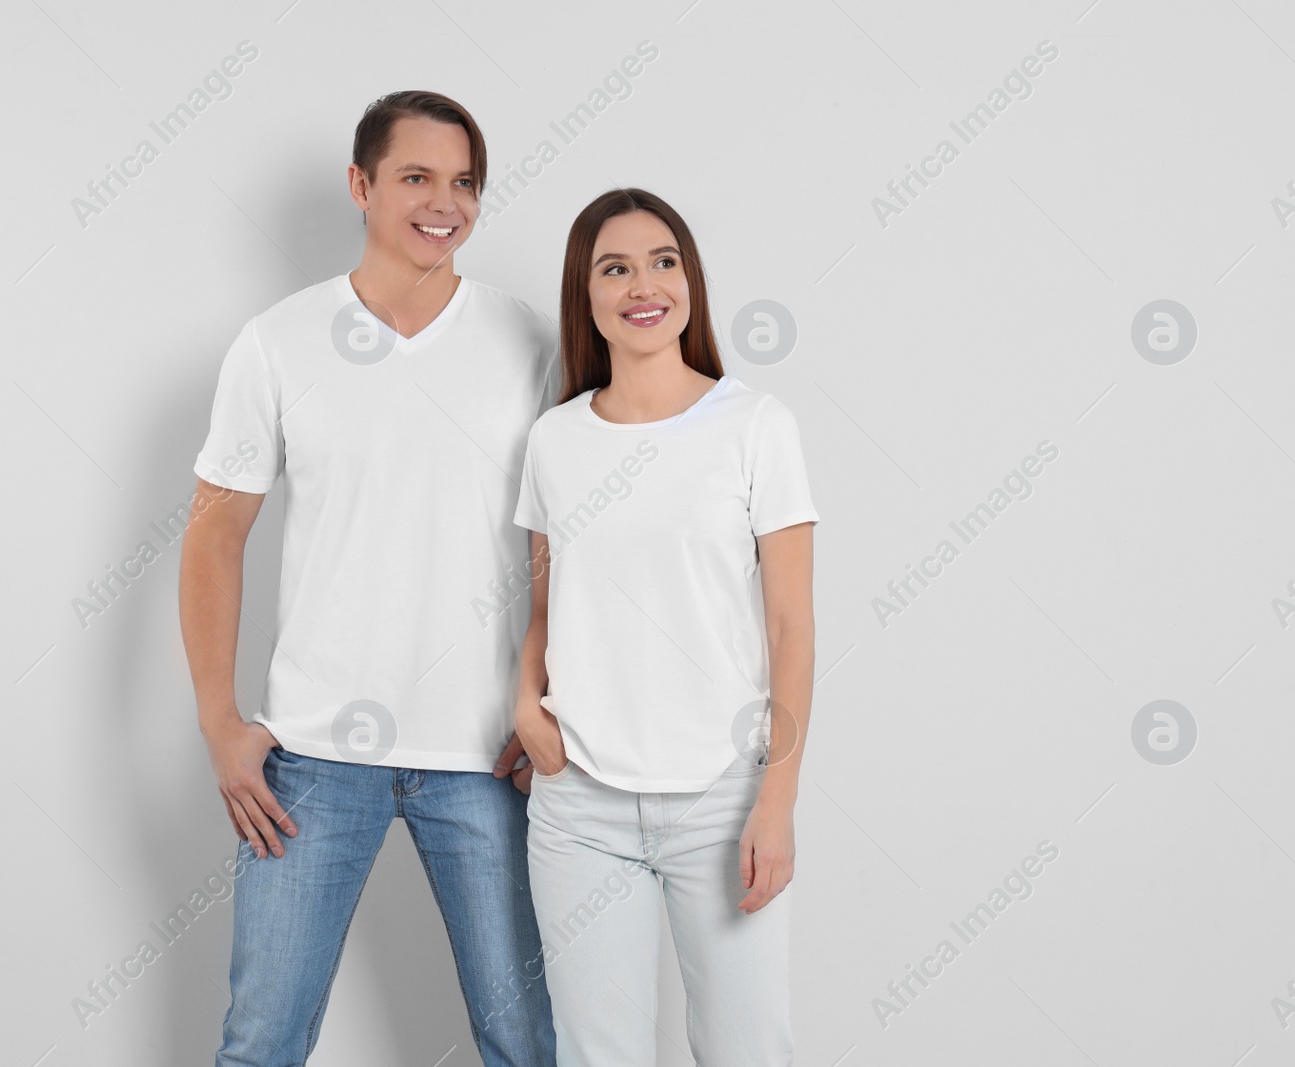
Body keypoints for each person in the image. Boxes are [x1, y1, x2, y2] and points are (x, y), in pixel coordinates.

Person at [180, 90, 559, 1066]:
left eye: (464, 181)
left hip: (485, 758)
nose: (445, 202)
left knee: (524, 1040)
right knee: (260, 1041)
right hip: (309, 756)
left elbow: (557, 540)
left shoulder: (528, 344)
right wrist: (221, 720)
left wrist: (537, 695)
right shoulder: (279, 340)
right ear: (361, 185)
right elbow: (214, 534)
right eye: (416, 177)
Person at [498, 187, 817, 1065]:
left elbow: (792, 629)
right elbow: (544, 607)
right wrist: (526, 702)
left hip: (723, 796)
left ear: (689, 281)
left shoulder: (754, 425)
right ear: (588, 295)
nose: (645, 284)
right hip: (579, 805)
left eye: (663, 261)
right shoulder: (556, 441)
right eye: (616, 267)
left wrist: (776, 801)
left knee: (747, 1049)